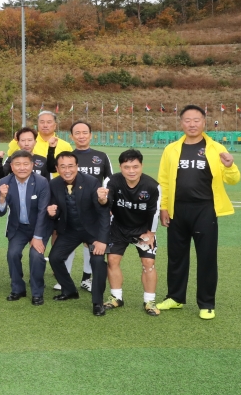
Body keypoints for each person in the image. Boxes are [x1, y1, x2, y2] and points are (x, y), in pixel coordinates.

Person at [157, 105, 240, 320]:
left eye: (196, 120)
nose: (192, 124)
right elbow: (164, 181)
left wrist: (230, 166)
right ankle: (175, 297)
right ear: (181, 123)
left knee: (206, 257)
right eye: (187, 120)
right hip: (177, 210)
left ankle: (206, 303)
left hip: (205, 209)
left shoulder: (216, 148)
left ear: (204, 122)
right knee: (176, 256)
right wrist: (163, 207)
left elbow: (233, 180)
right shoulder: (171, 149)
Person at [42, 151, 110, 317]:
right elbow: (56, 210)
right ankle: (69, 290)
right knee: (55, 258)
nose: (67, 170)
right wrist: (52, 212)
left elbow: (103, 213)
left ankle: (97, 302)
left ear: (77, 166)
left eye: (71, 166)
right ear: (57, 168)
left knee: (98, 261)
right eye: (63, 167)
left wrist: (102, 240)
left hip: (93, 232)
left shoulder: (91, 182)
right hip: (70, 230)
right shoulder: (54, 184)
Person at [101, 149, 161, 316]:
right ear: (120, 167)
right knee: (112, 260)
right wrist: (103, 200)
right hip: (118, 228)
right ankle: (116, 297)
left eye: (135, 166)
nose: (131, 171)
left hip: (142, 230)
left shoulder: (152, 186)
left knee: (148, 263)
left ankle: (149, 301)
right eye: (126, 167)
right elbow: (105, 205)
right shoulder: (112, 181)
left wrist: (151, 233)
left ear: (141, 166)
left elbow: (154, 212)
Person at [57, 121, 114, 295]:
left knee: (90, 243)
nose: (81, 136)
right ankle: (65, 278)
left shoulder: (101, 156)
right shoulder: (67, 157)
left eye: (84, 132)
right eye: (77, 133)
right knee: (69, 241)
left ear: (90, 135)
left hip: (94, 209)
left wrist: (108, 202)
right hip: (71, 209)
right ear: (71, 136)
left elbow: (110, 181)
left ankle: (86, 278)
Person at [0, 150, 51, 305]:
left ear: (32, 165)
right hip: (18, 227)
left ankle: (37, 292)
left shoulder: (41, 182)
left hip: (39, 227)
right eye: (17, 164)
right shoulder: (5, 182)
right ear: (12, 167)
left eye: (26, 164)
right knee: (12, 254)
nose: (22, 168)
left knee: (36, 256)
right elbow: (0, 212)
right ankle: (18, 288)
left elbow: (43, 211)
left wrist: (37, 237)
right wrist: (2, 197)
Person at [7, 110, 72, 159]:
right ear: (37, 124)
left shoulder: (65, 146)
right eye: (42, 122)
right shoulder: (27, 142)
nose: (45, 125)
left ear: (55, 125)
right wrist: (15, 140)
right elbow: (11, 156)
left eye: (49, 122)